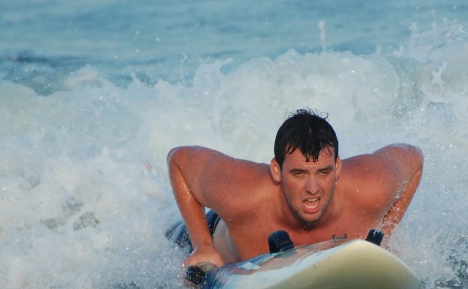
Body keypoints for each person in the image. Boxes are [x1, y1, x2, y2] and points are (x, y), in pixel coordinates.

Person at [167, 109, 423, 275]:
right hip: (214, 228)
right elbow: (179, 160)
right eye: (299, 174)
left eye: (323, 172)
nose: (313, 190)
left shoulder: (370, 189)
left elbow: (414, 159)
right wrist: (202, 244)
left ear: (337, 168)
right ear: (277, 170)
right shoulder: (241, 193)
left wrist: (387, 233)